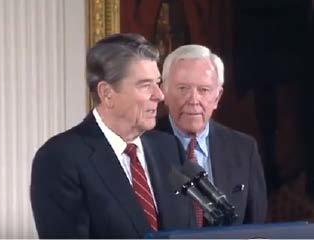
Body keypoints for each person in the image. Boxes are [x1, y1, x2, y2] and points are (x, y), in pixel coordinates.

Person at [30, 33, 195, 238]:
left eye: (158, 82)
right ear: (107, 93)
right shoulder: (59, 158)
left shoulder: (168, 148)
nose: (159, 95)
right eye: (145, 85)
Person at [156, 44, 267, 225]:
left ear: (217, 97)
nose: (193, 100)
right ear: (164, 92)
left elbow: (255, 228)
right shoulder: (144, 146)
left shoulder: (244, 149)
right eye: (183, 88)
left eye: (204, 90)